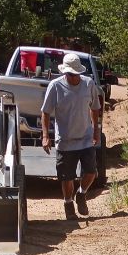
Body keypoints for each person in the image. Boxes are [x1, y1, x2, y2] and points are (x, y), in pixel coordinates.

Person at [41, 52, 102, 220]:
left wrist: (95, 130)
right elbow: (45, 112)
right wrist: (46, 136)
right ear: (64, 72)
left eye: (75, 74)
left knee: (91, 172)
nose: (72, 77)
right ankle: (68, 203)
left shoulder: (89, 84)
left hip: (85, 137)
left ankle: (81, 194)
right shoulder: (55, 86)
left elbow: (95, 108)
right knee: (67, 176)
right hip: (65, 141)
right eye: (69, 74)